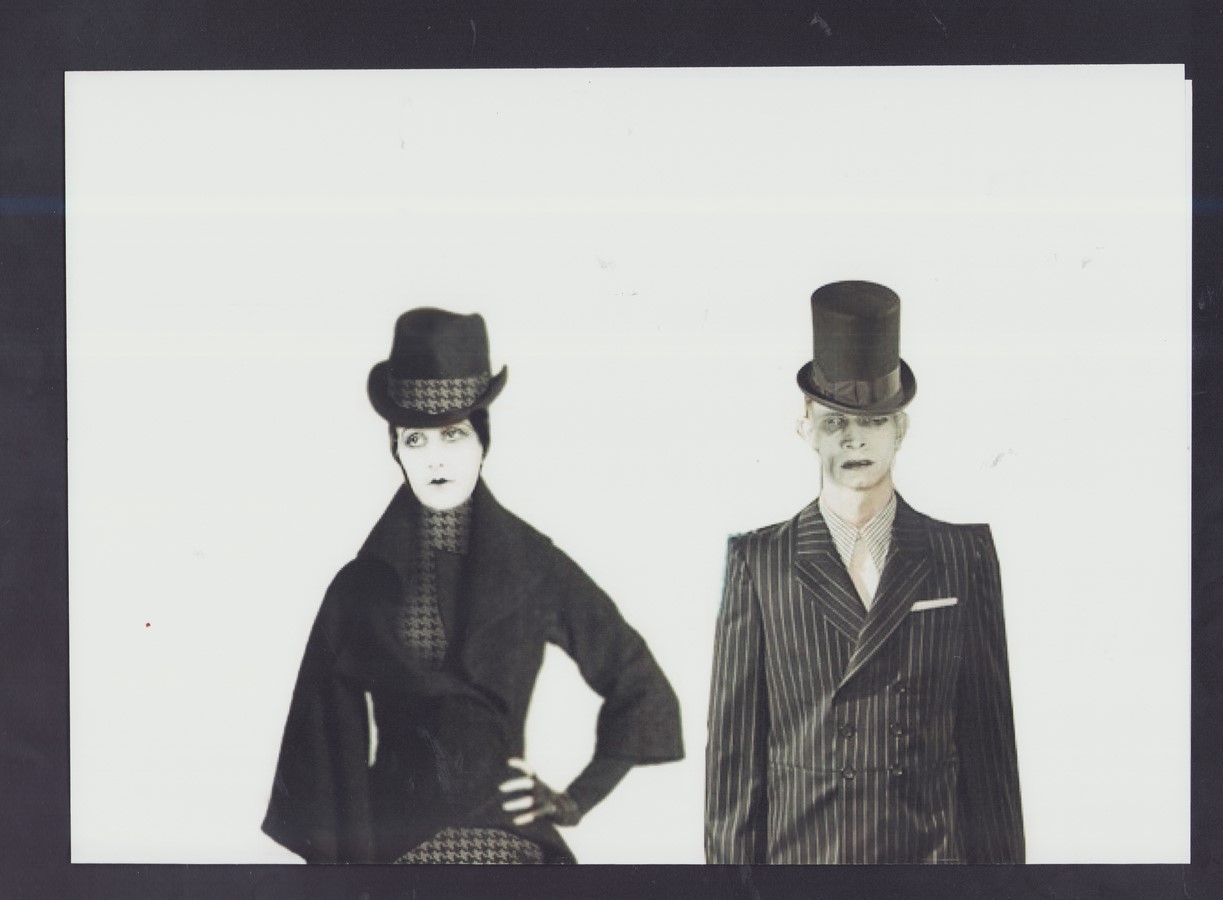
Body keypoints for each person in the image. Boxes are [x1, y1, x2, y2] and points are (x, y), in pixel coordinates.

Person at [263, 307, 683, 864]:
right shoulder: (360, 583)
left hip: (506, 836)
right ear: (395, 448)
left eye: (453, 435)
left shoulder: (534, 564)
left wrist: (573, 800)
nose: (435, 459)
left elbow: (642, 687)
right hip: (395, 841)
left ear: (483, 439)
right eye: (416, 439)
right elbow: (321, 746)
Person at [705, 281, 1023, 864]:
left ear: (901, 428)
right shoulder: (760, 561)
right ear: (805, 427)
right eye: (835, 423)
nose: (855, 439)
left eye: (873, 421)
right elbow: (733, 771)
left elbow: (990, 752)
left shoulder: (962, 554)